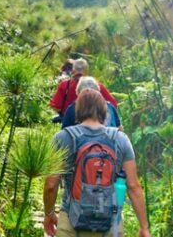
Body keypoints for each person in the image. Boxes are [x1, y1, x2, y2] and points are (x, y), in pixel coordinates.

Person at [43, 90, 151, 237]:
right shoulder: (121, 139)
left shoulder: (62, 138)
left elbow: (50, 185)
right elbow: (133, 186)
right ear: (104, 111)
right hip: (110, 224)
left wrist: (49, 213)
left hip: (71, 221)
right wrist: (144, 227)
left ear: (78, 110)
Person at [50, 58, 117, 116]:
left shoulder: (64, 85)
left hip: (69, 123)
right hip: (93, 122)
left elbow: (55, 106)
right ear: (86, 71)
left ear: (73, 70)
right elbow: (113, 104)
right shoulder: (97, 85)